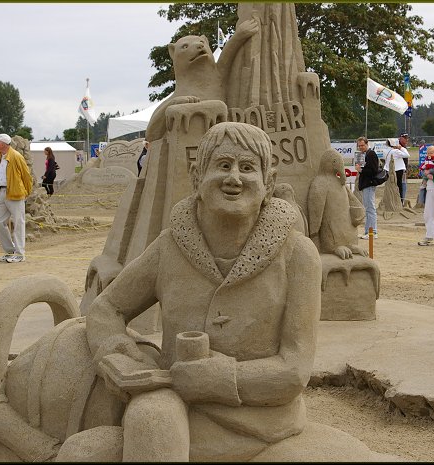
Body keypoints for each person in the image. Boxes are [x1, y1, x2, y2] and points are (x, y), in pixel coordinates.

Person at [85, 122, 321, 461]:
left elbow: (295, 370)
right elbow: (107, 307)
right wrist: (119, 352)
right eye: (223, 165)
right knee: (149, 419)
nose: (234, 178)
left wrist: (222, 377)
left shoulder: (298, 255)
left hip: (262, 421)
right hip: (177, 402)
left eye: (247, 168)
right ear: (197, 178)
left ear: (268, 183)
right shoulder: (171, 245)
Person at [0, 133, 33, 263]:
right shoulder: (0, 156)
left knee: (18, 222)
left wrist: (26, 192)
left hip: (15, 193)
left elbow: (26, 175)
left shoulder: (16, 156)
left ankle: (20, 253)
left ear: (3, 143)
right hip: (2, 192)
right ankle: (10, 251)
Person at [355, 136, 379, 239]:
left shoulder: (371, 154)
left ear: (367, 144)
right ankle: (367, 232)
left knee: (370, 209)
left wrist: (361, 170)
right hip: (366, 185)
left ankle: (373, 232)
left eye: (362, 145)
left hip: (369, 184)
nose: (361, 147)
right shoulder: (365, 154)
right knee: (368, 208)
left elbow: (373, 171)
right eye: (359, 146)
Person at [385, 138, 406, 205]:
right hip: (398, 170)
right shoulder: (396, 151)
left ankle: (392, 201)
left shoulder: (387, 151)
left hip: (389, 170)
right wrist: (401, 148)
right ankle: (400, 201)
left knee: (391, 186)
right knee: (399, 186)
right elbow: (407, 155)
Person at [398, 133, 411, 205]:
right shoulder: (398, 146)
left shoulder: (403, 146)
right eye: (405, 138)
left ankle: (402, 200)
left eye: (407, 138)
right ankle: (401, 201)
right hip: (400, 170)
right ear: (400, 138)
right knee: (402, 186)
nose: (407, 140)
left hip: (403, 170)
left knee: (403, 185)